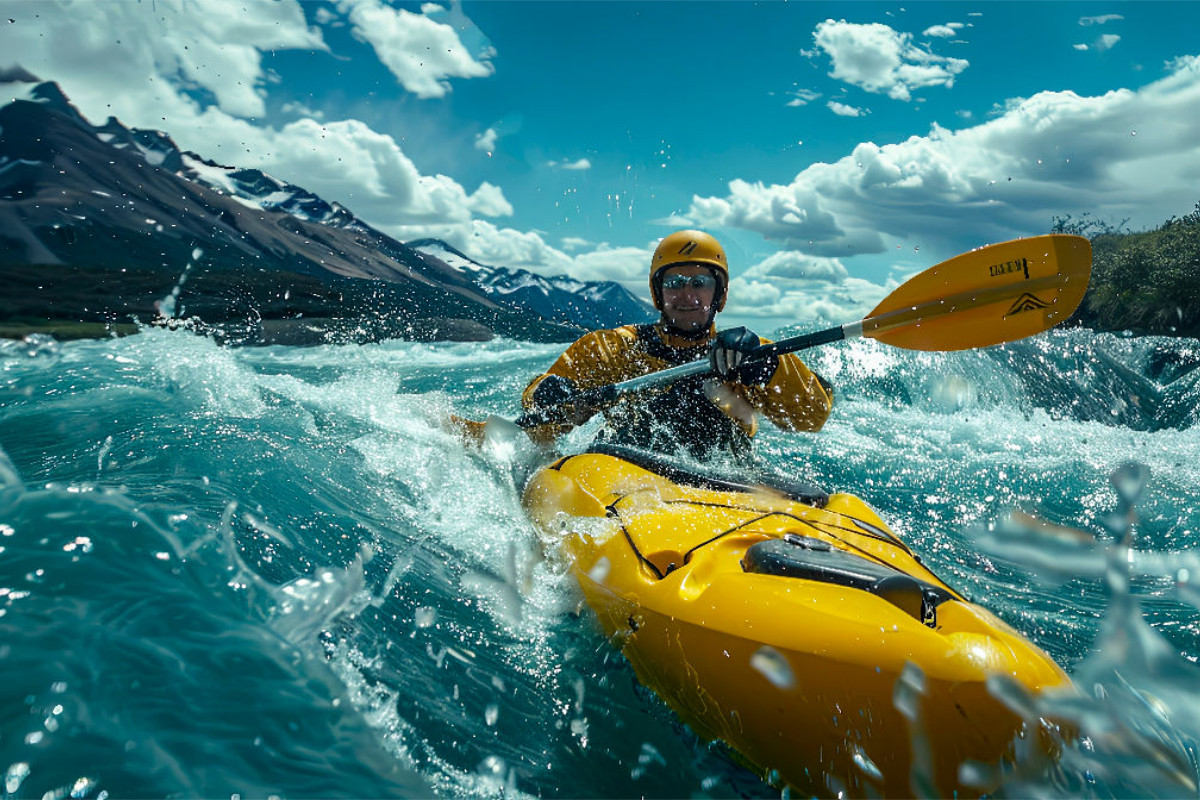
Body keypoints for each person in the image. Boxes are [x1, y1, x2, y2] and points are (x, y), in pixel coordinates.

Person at [521, 229, 833, 463]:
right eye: (674, 284)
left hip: (726, 481)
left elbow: (812, 418)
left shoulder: (747, 356)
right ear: (659, 293)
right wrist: (547, 392)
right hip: (626, 477)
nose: (687, 295)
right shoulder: (615, 349)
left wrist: (770, 369)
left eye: (701, 283)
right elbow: (540, 429)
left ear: (719, 295)